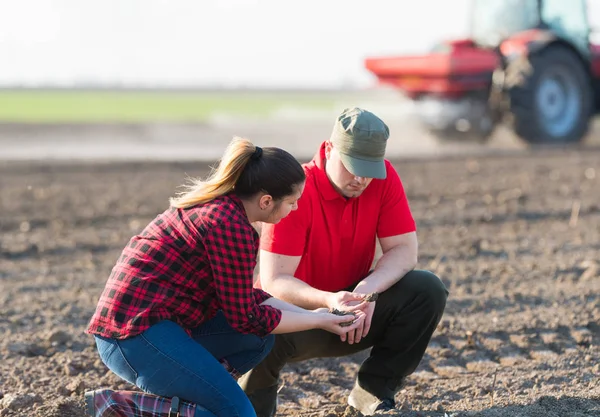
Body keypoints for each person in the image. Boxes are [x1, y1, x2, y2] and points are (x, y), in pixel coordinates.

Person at [85, 137, 366, 417]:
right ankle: (118, 406)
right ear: (267, 201)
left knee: (258, 342)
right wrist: (318, 320)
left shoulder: (221, 206)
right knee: (238, 413)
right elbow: (247, 317)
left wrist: (321, 312)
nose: (295, 209)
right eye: (292, 202)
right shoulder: (230, 226)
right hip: (133, 336)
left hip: (151, 325)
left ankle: (193, 396)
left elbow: (246, 300)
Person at [238, 108, 449, 416]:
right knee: (259, 321)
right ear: (330, 149)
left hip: (355, 314)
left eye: (370, 169)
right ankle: (251, 408)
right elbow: (275, 281)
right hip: (297, 317)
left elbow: (405, 250)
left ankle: (373, 392)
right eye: (353, 167)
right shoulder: (296, 188)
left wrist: (366, 292)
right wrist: (329, 301)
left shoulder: (384, 178)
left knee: (427, 289)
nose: (362, 178)